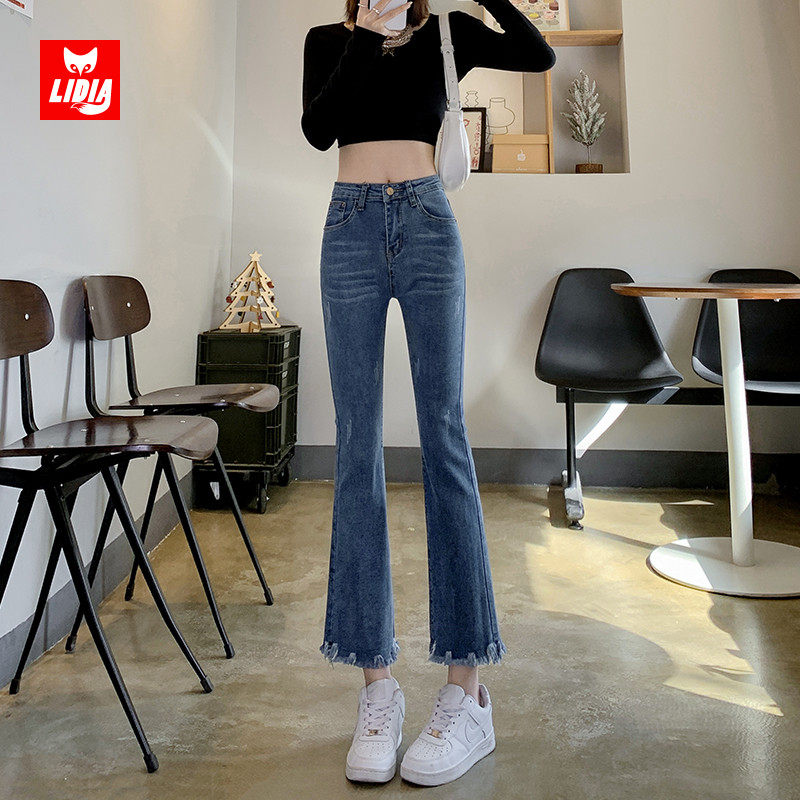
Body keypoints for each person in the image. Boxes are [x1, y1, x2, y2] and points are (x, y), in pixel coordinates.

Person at [301, 0, 555, 786]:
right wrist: (365, 38)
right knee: (357, 445)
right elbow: (318, 129)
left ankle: (466, 695)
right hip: (348, 228)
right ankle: (376, 689)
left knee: (444, 434)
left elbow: (538, 54)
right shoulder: (327, 41)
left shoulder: (449, 32)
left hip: (427, 223)